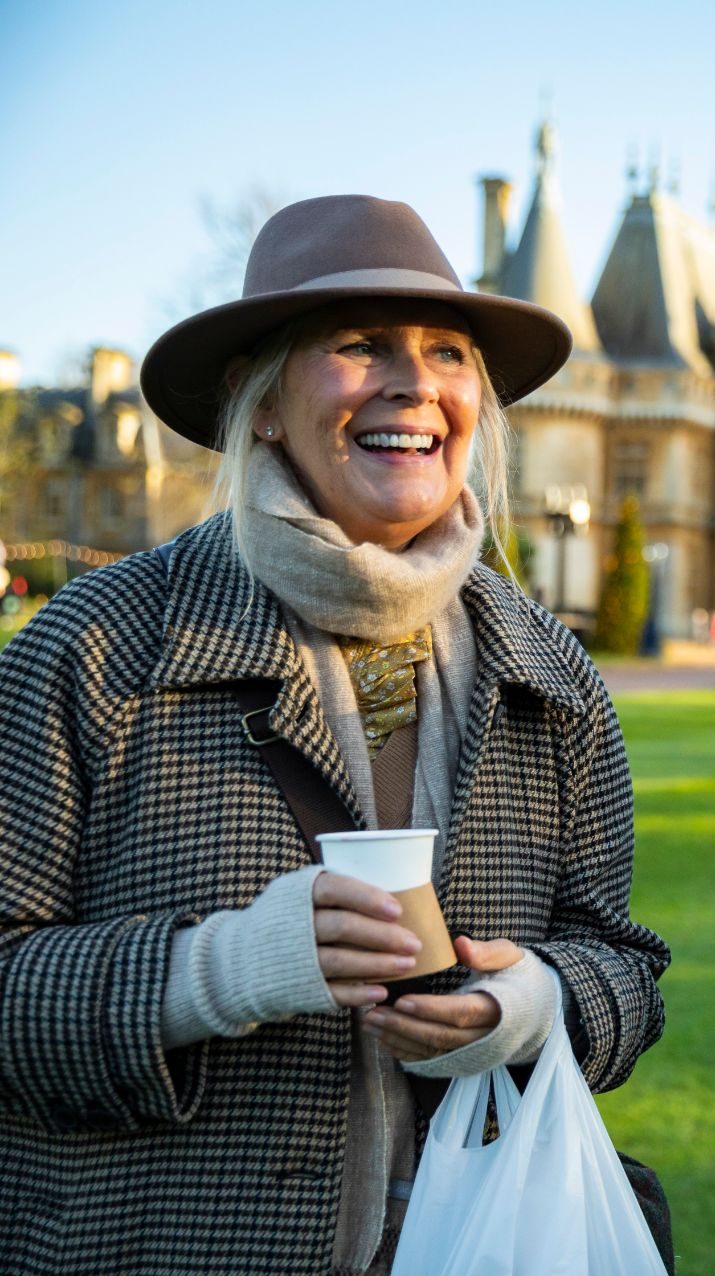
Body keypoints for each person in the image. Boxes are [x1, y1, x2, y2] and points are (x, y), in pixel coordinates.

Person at [0, 196, 670, 1275]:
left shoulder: (553, 671)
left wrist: (534, 1002)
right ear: (259, 403)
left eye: (447, 351)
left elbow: (628, 976)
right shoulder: (95, 646)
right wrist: (224, 970)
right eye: (359, 346)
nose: (415, 383)